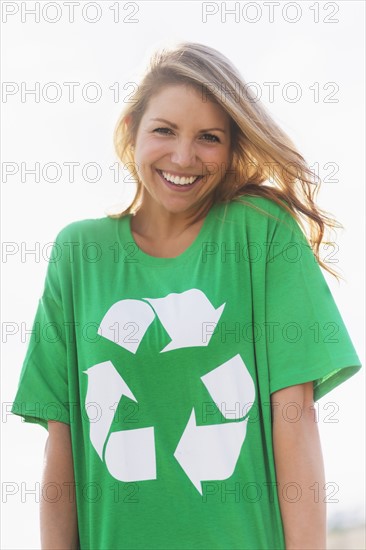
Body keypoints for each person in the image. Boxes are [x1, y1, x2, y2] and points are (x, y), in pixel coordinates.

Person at [12, 42, 362, 550]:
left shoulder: (262, 234)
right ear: (132, 129)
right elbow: (60, 442)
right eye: (164, 130)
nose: (183, 157)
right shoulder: (78, 253)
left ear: (231, 147)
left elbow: (296, 416)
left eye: (209, 138)